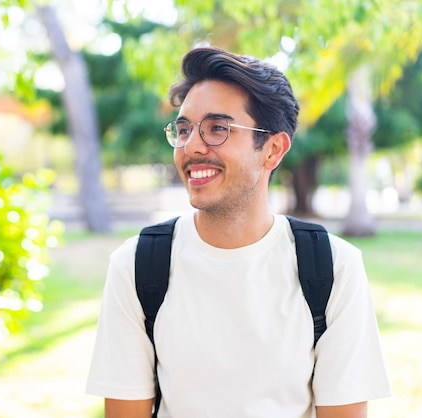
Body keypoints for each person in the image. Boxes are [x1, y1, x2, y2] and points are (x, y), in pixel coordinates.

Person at [85, 46, 391, 418]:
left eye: (217, 129)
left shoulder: (333, 267)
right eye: (184, 129)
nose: (191, 147)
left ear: (273, 150)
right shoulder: (137, 265)